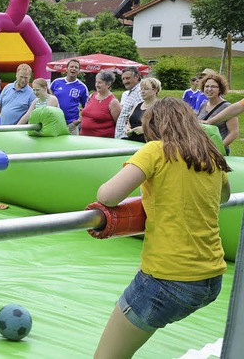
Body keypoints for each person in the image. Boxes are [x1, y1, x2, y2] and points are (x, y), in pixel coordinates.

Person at [94, 97, 230, 358]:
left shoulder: (156, 150)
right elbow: (223, 197)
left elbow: (108, 195)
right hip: (211, 279)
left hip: (169, 280)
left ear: (153, 125)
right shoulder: (209, 153)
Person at [196, 74, 238, 155]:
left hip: (217, 152)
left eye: (213, 86)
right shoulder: (203, 105)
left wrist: (218, 149)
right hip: (202, 150)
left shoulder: (227, 107)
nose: (209, 89)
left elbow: (234, 133)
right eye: (207, 86)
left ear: (220, 89)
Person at [50, 59, 88, 135]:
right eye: (71, 66)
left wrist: (77, 121)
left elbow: (86, 108)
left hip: (71, 125)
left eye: (76, 67)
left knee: (72, 147)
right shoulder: (56, 82)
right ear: (66, 69)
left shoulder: (82, 87)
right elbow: (48, 98)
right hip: (55, 122)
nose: (73, 68)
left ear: (79, 71)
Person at [80, 71, 121, 138]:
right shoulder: (91, 96)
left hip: (102, 140)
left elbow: (119, 124)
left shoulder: (113, 102)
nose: (97, 85)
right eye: (96, 82)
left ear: (108, 85)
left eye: (100, 82)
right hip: (84, 137)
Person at [125, 77, 161, 143]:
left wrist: (144, 130)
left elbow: (162, 127)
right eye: (141, 89)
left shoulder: (160, 106)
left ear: (155, 90)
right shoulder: (137, 105)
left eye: (146, 89)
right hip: (132, 141)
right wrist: (128, 129)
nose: (142, 91)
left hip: (149, 142)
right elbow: (129, 122)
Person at [114, 66, 143, 139]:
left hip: (128, 136)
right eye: (123, 79)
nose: (125, 81)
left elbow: (142, 111)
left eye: (127, 78)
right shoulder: (132, 91)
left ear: (136, 77)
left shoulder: (140, 91)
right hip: (123, 135)